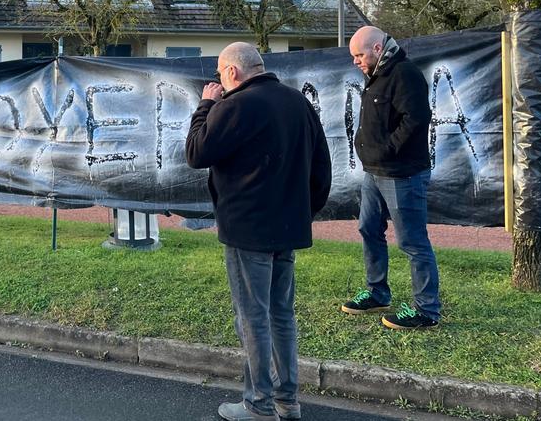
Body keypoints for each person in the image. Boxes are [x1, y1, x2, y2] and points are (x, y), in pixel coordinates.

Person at [186, 42, 332, 421]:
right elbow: (322, 167)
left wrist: (206, 105)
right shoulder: (297, 103)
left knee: (252, 316)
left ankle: (259, 404)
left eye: (220, 74)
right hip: (287, 225)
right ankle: (288, 401)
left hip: (248, 227)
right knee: (281, 314)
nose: (218, 81)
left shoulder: (234, 106)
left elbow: (197, 152)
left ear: (232, 72)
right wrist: (303, 211)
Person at [341, 26, 441, 330]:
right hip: (374, 172)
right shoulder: (376, 76)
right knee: (368, 229)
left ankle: (427, 310)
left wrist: (388, 150)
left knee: (412, 242)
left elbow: (417, 118)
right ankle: (377, 293)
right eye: (353, 56)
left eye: (359, 54)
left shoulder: (404, 73)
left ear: (376, 49)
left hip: (402, 174)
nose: (356, 61)